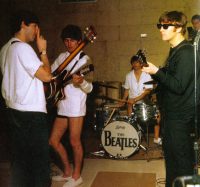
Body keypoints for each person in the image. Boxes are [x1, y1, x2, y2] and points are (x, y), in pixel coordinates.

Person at [142, 11, 200, 187]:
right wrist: (159, 74)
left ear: (179, 28)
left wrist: (157, 72)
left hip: (181, 119)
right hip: (172, 116)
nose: (161, 29)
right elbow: (172, 79)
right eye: (160, 25)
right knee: (173, 165)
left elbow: (179, 86)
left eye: (166, 26)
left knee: (183, 166)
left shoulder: (187, 52)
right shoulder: (175, 50)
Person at [0, 10, 52, 187]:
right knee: (39, 165)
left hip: (12, 111)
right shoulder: (23, 48)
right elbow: (46, 76)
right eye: (35, 26)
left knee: (21, 164)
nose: (37, 31)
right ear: (23, 24)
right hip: (30, 114)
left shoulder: (5, 49)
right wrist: (43, 50)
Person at [49, 24, 93, 187]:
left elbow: (90, 88)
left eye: (72, 40)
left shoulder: (84, 59)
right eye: (66, 40)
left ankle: (76, 176)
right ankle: (67, 170)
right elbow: (51, 75)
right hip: (62, 104)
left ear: (79, 41)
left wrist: (81, 82)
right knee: (53, 140)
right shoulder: (61, 57)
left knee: (74, 141)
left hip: (76, 105)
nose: (68, 44)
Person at [121, 55, 162, 145]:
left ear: (141, 64)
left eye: (137, 62)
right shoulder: (128, 75)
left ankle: (156, 138)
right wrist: (123, 100)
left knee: (157, 116)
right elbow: (127, 90)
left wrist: (135, 99)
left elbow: (147, 91)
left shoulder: (147, 74)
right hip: (131, 103)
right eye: (133, 62)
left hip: (144, 101)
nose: (135, 64)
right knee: (131, 120)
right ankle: (133, 138)